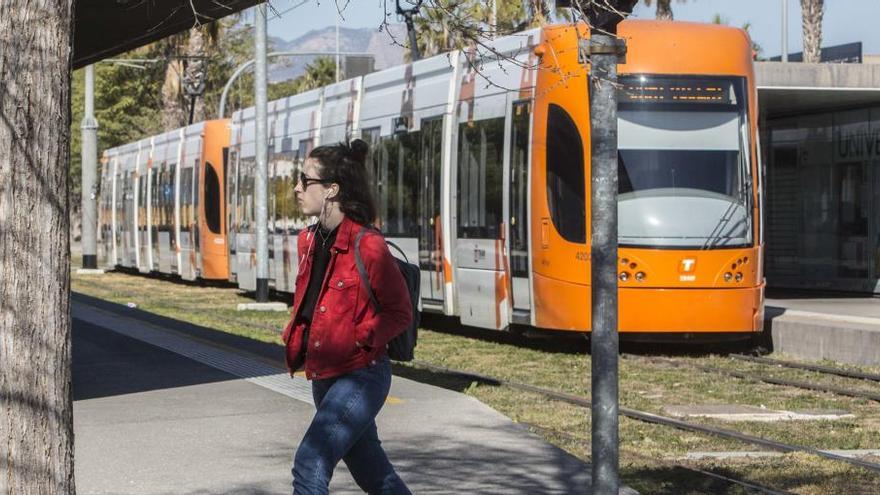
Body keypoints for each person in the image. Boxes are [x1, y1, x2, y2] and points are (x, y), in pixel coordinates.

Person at [281, 139, 413, 495]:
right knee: (373, 473)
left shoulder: (367, 244)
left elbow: (400, 312)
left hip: (361, 375)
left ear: (331, 190)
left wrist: (360, 335)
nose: (297, 188)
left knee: (310, 463)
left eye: (305, 181)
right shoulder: (308, 241)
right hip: (323, 374)